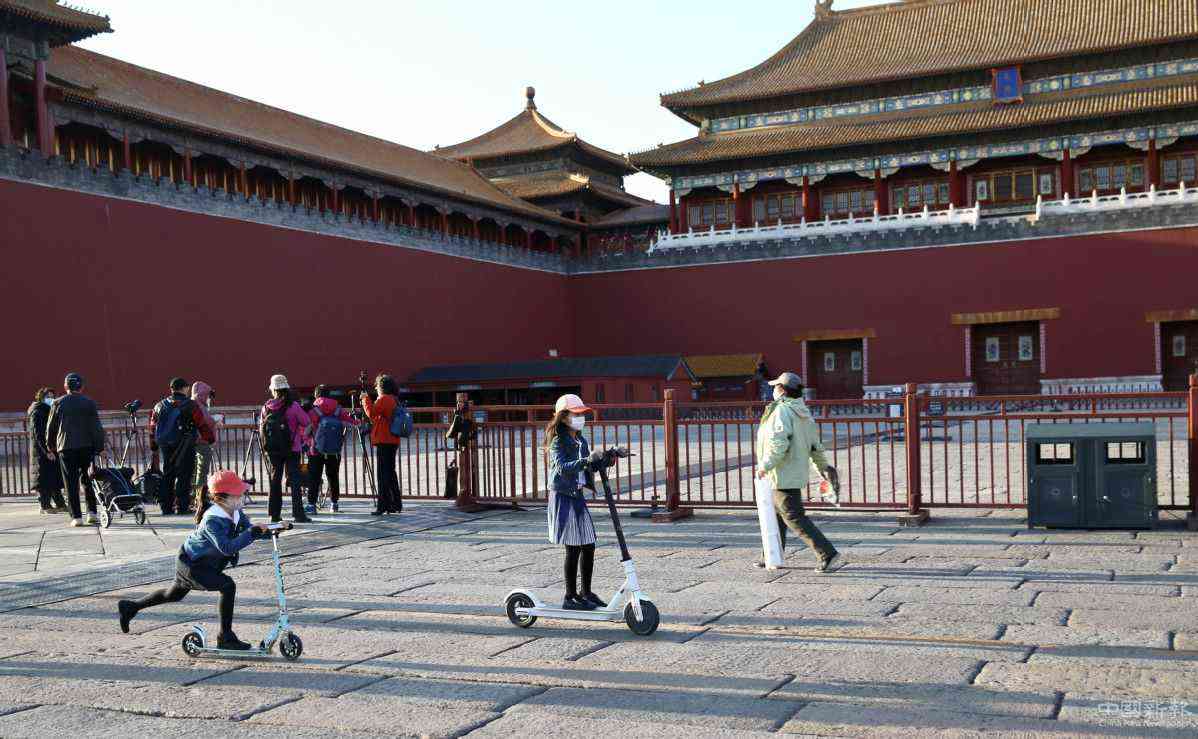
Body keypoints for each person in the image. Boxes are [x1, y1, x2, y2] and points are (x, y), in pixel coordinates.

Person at [117, 470, 271, 649]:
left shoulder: (236, 512)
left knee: (173, 595)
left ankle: (130, 607)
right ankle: (225, 637)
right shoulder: (212, 520)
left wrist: (273, 530)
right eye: (238, 494)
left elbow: (250, 529)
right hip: (192, 564)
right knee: (227, 586)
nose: (243, 496)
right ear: (223, 498)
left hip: (202, 563)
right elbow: (227, 547)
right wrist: (252, 533)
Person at [755, 372, 842, 573]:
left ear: (782, 390)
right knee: (777, 515)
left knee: (793, 516)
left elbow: (778, 444)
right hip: (793, 472)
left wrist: (764, 466)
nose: (773, 389)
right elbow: (815, 446)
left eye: (776, 386)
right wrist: (823, 467)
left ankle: (826, 553)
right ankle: (771, 555)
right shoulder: (804, 413)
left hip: (781, 473)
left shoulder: (782, 411)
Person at [546, 393, 621, 611]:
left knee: (588, 545)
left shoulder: (581, 440)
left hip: (577, 496)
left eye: (582, 414)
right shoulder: (558, 441)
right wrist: (586, 460)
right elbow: (563, 467)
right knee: (573, 548)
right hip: (563, 497)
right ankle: (570, 597)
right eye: (575, 414)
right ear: (563, 417)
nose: (580, 418)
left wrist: (608, 457)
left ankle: (586, 593)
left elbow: (589, 466)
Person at [45, 372, 106, 527]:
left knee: (70, 483)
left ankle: (77, 517)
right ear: (82, 387)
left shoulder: (57, 403)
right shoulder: (89, 402)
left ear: (66, 386)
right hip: (87, 446)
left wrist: (50, 446)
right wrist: (100, 447)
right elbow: (96, 427)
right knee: (88, 479)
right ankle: (92, 513)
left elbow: (51, 427)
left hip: (65, 447)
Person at [149, 377, 214, 516]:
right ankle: (182, 506)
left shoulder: (159, 405)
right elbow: (201, 424)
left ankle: (166, 506)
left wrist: (153, 446)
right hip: (185, 443)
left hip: (166, 445)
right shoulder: (190, 405)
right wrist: (209, 438)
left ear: (171, 389)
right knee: (184, 474)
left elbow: (153, 427)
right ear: (184, 388)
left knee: (168, 473)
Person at [260, 374, 311, 523]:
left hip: (273, 450)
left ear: (273, 390)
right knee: (295, 480)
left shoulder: (266, 407)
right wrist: (303, 437)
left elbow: (262, 428)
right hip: (292, 448)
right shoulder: (293, 406)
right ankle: (298, 514)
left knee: (275, 480)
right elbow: (307, 423)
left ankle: (274, 514)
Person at [306, 385, 356, 513]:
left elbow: (306, 428)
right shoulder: (338, 410)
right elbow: (352, 423)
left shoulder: (314, 410)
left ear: (316, 395)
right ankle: (334, 504)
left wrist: (305, 441)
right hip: (334, 450)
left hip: (316, 450)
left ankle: (311, 505)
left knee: (314, 477)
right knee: (333, 476)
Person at [360, 373, 403, 516]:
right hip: (392, 440)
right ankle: (394, 504)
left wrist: (365, 398)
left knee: (383, 475)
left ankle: (383, 505)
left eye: (377, 386)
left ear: (382, 387)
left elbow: (371, 413)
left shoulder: (384, 399)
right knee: (390, 473)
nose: (376, 388)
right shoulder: (394, 399)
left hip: (384, 440)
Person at [27, 387, 66, 514]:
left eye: (52, 396)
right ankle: (45, 505)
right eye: (48, 396)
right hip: (41, 452)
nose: (51, 399)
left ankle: (60, 504)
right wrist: (46, 451)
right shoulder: (37, 411)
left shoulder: (50, 410)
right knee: (43, 479)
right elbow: (38, 434)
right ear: (41, 397)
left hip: (52, 448)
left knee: (54, 478)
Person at [190, 382, 218, 523]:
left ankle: (196, 497)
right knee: (201, 471)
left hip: (196, 442)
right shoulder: (198, 406)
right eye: (207, 395)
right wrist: (216, 420)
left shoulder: (194, 405)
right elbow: (207, 422)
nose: (208, 399)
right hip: (202, 442)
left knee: (196, 471)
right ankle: (199, 498)